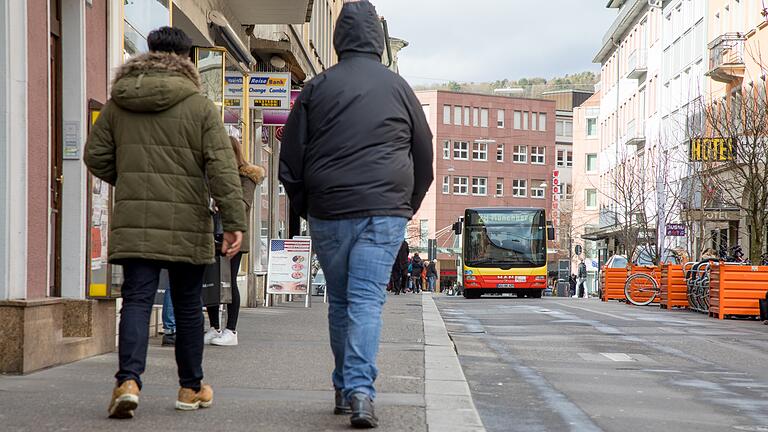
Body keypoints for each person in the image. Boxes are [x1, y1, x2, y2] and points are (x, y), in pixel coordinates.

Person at [278, 1, 433, 427]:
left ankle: (345, 388)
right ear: (379, 42)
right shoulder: (399, 88)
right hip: (384, 211)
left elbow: (290, 157)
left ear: (339, 38)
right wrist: (407, 205)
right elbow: (424, 155)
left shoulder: (316, 87)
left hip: (329, 209)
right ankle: (360, 391)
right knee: (367, 300)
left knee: (341, 301)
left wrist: (305, 206)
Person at [84, 26, 246, 419]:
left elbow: (95, 155)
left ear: (148, 53)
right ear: (188, 61)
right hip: (188, 219)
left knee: (137, 301)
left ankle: (128, 381)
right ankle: (190, 388)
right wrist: (233, 220)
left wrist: (132, 181)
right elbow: (222, 168)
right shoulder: (199, 106)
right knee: (189, 306)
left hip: (136, 218)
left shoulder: (119, 103)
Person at [205, 137, 265, 347]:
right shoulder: (214, 175)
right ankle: (214, 327)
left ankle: (231, 330)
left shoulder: (246, 176)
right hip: (212, 233)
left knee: (229, 281)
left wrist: (220, 202)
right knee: (211, 280)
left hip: (234, 235)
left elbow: (243, 204)